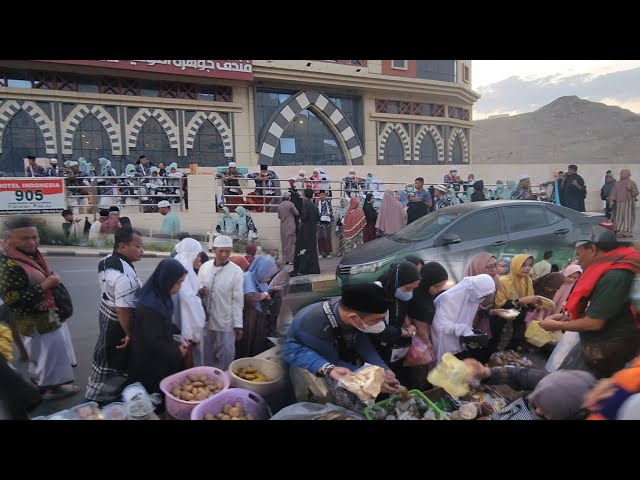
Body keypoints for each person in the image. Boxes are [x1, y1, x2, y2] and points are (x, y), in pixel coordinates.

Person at [282, 282, 401, 411]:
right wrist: (372, 380)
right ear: (353, 318)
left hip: (341, 353)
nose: (380, 324)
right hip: (316, 363)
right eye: (376, 320)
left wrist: (381, 367)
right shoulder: (312, 324)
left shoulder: (353, 311)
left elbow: (361, 341)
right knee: (343, 405)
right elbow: (334, 361)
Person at [539, 229, 640, 378]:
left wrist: (558, 325)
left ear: (592, 249)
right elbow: (608, 311)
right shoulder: (615, 266)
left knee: (570, 387)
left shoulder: (615, 275)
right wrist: (571, 319)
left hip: (605, 350)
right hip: (603, 344)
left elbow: (594, 323)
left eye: (579, 254)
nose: (578, 261)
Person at [0, 216, 79, 401]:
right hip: (35, 318)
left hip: (47, 315)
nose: (32, 242)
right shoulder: (7, 264)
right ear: (9, 239)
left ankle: (41, 381)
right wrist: (46, 284)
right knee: (48, 355)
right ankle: (51, 389)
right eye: (25, 238)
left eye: (34, 237)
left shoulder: (24, 253)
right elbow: (12, 299)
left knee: (43, 354)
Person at [85, 228, 144, 404]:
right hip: (118, 323)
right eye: (138, 246)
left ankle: (106, 395)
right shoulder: (124, 276)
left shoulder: (105, 261)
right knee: (114, 359)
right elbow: (122, 310)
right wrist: (129, 333)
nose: (142, 250)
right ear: (122, 246)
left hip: (106, 314)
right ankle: (99, 400)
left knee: (105, 350)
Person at [129, 259, 188, 398]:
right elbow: (154, 341)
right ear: (166, 279)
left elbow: (165, 325)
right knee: (154, 394)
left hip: (159, 355)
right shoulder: (150, 306)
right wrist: (177, 352)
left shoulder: (162, 296)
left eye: (182, 282)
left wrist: (178, 337)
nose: (180, 287)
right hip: (150, 361)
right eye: (178, 282)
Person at [464, 359, 596, 420]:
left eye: (546, 410)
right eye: (537, 401)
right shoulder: (552, 382)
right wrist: (485, 372)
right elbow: (517, 375)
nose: (537, 410)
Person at [197, 235, 244, 370]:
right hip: (206, 321)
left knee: (227, 355)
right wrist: (200, 291)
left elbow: (237, 300)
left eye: (227, 251)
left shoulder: (236, 272)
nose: (224, 254)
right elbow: (197, 288)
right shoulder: (204, 267)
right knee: (206, 354)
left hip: (225, 321)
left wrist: (238, 325)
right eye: (220, 251)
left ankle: (226, 382)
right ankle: (206, 377)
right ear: (213, 250)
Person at [372, 262, 421, 386]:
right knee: (382, 378)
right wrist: (404, 332)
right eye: (408, 288)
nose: (410, 293)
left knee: (399, 377)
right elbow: (378, 328)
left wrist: (408, 324)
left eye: (414, 289)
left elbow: (402, 310)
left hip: (395, 343)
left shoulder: (397, 290)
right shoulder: (378, 292)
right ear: (397, 282)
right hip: (378, 345)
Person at [431, 274, 496, 362]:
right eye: (483, 296)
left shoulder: (472, 297)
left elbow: (467, 320)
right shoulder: (448, 298)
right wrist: (464, 330)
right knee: (443, 369)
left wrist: (470, 333)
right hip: (444, 342)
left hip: (459, 343)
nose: (483, 299)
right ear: (473, 290)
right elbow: (441, 326)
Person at [492, 254, 543, 352]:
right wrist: (521, 300)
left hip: (519, 320)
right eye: (523, 265)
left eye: (530, 265)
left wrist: (535, 304)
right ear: (515, 265)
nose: (527, 268)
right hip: (504, 321)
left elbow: (528, 301)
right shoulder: (504, 281)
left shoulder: (527, 280)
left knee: (513, 345)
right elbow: (499, 304)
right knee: (500, 347)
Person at [463, 253, 512, 349]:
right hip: (469, 323)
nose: (494, 270)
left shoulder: (496, 280)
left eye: (496, 265)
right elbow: (468, 309)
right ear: (477, 268)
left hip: (489, 320)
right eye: (489, 267)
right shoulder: (467, 286)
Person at [172, 238, 207, 367]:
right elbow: (187, 300)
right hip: (183, 330)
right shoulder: (182, 268)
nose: (200, 259)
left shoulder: (182, 265)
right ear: (191, 254)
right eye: (198, 255)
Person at [236, 255, 279, 358]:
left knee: (257, 342)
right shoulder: (247, 277)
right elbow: (249, 297)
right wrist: (263, 295)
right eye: (267, 275)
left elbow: (264, 290)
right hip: (249, 319)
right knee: (248, 342)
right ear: (261, 271)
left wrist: (273, 291)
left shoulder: (258, 279)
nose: (268, 278)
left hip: (258, 318)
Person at [291, 188, 320, 276]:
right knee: (312, 250)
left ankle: (303, 268)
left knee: (303, 249)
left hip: (305, 231)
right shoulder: (314, 205)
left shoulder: (305, 204)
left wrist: (300, 220)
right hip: (312, 230)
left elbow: (305, 216)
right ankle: (313, 268)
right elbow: (317, 217)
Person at [610, 169, 638, 238]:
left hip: (628, 204)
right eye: (621, 173)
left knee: (627, 218)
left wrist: (631, 189)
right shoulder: (617, 183)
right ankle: (619, 231)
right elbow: (614, 193)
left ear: (628, 174)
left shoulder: (632, 183)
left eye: (623, 173)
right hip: (619, 204)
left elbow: (636, 193)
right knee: (619, 217)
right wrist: (611, 201)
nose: (621, 174)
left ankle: (627, 232)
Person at [277, 190, 299, 265]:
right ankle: (291, 259)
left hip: (283, 226)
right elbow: (296, 213)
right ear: (289, 197)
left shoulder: (280, 205)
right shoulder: (290, 204)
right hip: (290, 225)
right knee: (291, 243)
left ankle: (285, 259)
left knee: (284, 243)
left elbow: (279, 216)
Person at [316, 190, 334, 258]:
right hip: (319, 222)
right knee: (320, 238)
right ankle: (321, 252)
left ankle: (328, 252)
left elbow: (331, 211)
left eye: (324, 195)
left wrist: (332, 221)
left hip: (327, 222)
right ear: (319, 196)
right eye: (321, 195)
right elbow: (316, 213)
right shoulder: (317, 203)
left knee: (327, 237)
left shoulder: (328, 203)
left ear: (325, 196)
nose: (322, 196)